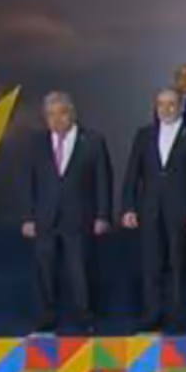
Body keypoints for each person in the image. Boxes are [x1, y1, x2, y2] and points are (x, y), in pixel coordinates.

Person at [21, 91, 112, 333]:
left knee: (79, 268)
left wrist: (103, 215)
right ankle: (46, 317)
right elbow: (29, 181)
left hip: (79, 216)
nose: (56, 120)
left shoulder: (92, 140)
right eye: (49, 115)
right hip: (45, 217)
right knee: (44, 268)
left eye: (60, 113)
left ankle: (85, 317)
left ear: (71, 113)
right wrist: (28, 217)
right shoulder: (36, 143)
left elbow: (103, 180)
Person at [121, 88, 186, 332]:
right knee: (151, 264)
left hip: (181, 209)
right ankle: (152, 315)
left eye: (171, 104)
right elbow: (132, 175)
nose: (166, 109)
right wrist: (128, 207)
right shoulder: (144, 135)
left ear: (181, 106)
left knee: (178, 264)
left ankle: (177, 316)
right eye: (161, 104)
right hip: (149, 209)